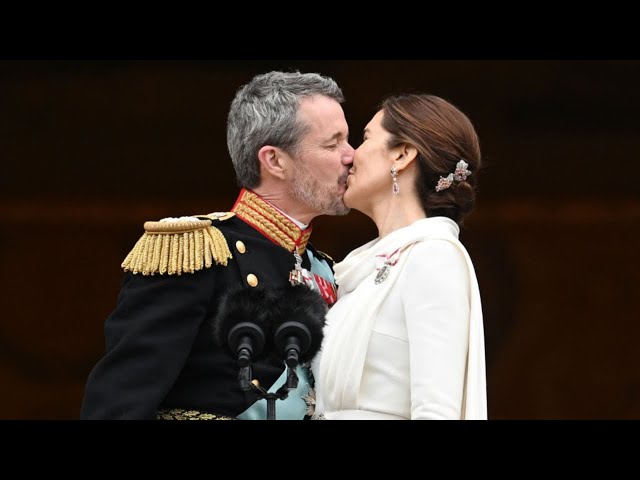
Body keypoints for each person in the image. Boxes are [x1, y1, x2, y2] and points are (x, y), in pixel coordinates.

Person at [80, 71, 355, 420]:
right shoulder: (197, 252)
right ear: (274, 161)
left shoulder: (323, 268)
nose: (352, 156)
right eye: (333, 144)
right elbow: (118, 406)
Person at [311, 93, 487, 420]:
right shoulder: (357, 271)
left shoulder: (432, 257)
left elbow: (436, 413)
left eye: (364, 139)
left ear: (402, 154)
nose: (349, 156)